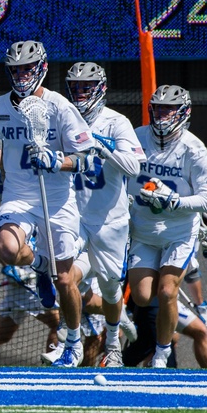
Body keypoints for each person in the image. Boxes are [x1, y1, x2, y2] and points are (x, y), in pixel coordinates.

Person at [0, 40, 94, 368]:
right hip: (17, 195)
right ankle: (39, 263)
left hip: (58, 201)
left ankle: (72, 340)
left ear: (42, 68)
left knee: (65, 280)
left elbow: (87, 160)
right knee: (6, 248)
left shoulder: (61, 107)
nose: (21, 75)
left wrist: (56, 160)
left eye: (27, 68)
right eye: (15, 69)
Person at [63, 61, 145, 367]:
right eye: (76, 88)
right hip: (74, 216)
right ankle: (71, 343)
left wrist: (102, 147)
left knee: (111, 287)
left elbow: (135, 167)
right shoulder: (64, 118)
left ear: (100, 89)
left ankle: (112, 344)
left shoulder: (116, 122)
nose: (81, 93)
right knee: (63, 276)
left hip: (110, 221)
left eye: (87, 87)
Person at [128, 85, 207, 368]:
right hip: (143, 230)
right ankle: (162, 328)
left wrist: (175, 201)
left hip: (178, 232)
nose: (162, 114)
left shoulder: (194, 148)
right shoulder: (137, 137)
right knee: (142, 296)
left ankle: (162, 352)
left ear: (183, 112)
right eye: (158, 108)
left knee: (167, 291)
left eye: (169, 109)